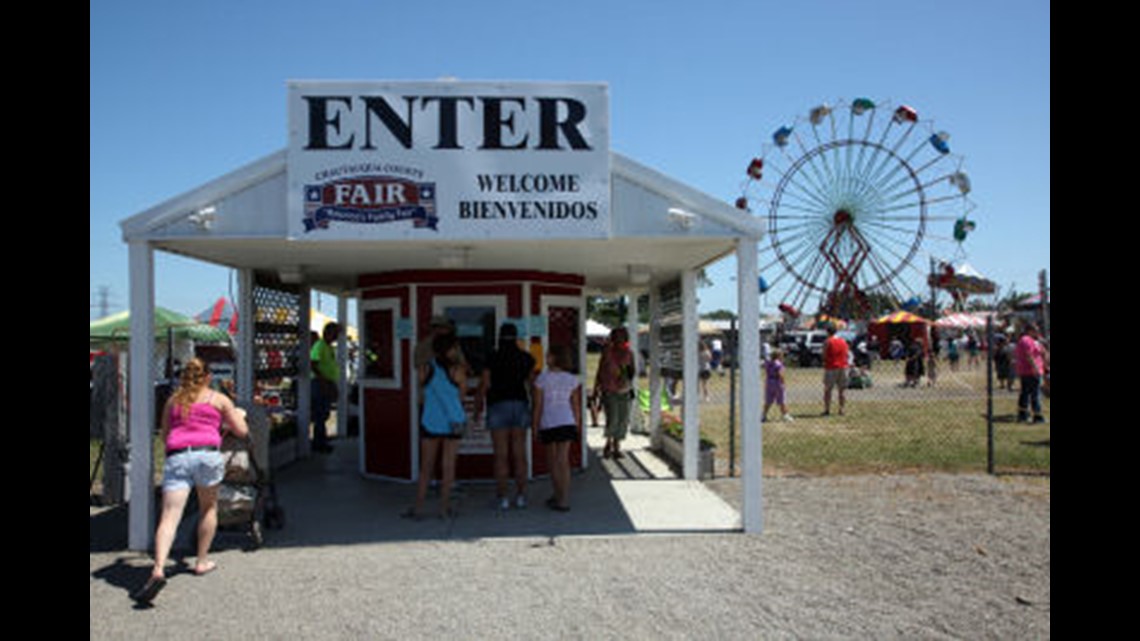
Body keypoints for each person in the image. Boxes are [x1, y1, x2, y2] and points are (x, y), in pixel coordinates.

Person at [132, 358, 249, 604]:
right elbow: (242, 431)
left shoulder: (174, 400)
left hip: (177, 457)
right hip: (207, 455)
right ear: (207, 376)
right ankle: (201, 561)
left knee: (169, 516)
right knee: (208, 508)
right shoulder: (218, 399)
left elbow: (165, 435)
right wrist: (235, 417)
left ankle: (158, 568)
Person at [406, 334, 468, 519]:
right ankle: (444, 508)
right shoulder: (458, 370)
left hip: (431, 420)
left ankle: (418, 507)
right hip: (454, 422)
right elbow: (461, 396)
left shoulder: (424, 368)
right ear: (450, 350)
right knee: (448, 467)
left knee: (426, 467)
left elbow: (423, 393)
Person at [478, 323, 536, 511]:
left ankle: (502, 498)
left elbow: (485, 383)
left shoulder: (492, 357)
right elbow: (532, 385)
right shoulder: (526, 358)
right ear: (516, 337)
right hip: (520, 404)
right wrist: (535, 408)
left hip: (497, 405)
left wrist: (478, 405)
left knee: (501, 455)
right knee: (519, 454)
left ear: (499, 337)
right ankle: (521, 496)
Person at [532, 344, 581, 512]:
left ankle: (557, 494)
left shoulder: (542, 379)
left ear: (553, 358)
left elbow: (538, 406)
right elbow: (575, 405)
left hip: (549, 422)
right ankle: (564, 498)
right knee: (563, 461)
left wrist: (535, 426)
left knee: (552, 462)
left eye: (548, 355)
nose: (545, 358)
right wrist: (577, 424)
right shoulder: (572, 379)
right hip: (567, 421)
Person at [594, 327, 635, 459]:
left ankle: (617, 447)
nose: (619, 339)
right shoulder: (607, 352)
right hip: (609, 389)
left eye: (622, 336)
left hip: (624, 390)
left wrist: (626, 378)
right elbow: (599, 371)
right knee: (612, 418)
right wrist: (596, 389)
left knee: (623, 419)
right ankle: (608, 445)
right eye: (616, 336)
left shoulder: (629, 353)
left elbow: (632, 372)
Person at [310, 322, 340, 453]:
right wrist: (324, 382)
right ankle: (319, 443)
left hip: (327, 382)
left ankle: (322, 440)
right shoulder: (320, 346)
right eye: (335, 334)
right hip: (320, 384)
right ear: (328, 333)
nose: (337, 337)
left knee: (325, 413)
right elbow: (313, 364)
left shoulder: (329, 347)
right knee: (320, 414)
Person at [1014, 323, 1048, 423]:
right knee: (1035, 394)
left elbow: (1042, 352)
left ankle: (1023, 415)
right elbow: (1029, 355)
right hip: (1030, 371)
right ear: (1030, 330)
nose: (1038, 332)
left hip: (1029, 371)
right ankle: (1037, 416)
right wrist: (1036, 368)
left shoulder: (1033, 341)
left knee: (1025, 393)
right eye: (1036, 330)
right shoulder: (1026, 340)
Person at [822, 324, 849, 416]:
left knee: (828, 390)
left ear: (827, 332)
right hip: (843, 366)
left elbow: (824, 354)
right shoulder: (843, 341)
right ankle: (842, 409)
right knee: (842, 390)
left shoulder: (828, 341)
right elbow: (847, 353)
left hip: (831, 367)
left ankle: (827, 409)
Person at [763, 349, 792, 422]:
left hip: (769, 382)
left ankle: (763, 415)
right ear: (779, 356)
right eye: (782, 355)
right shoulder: (779, 364)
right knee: (781, 400)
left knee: (768, 400)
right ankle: (785, 415)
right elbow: (780, 374)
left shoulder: (769, 363)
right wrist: (783, 383)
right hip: (777, 382)